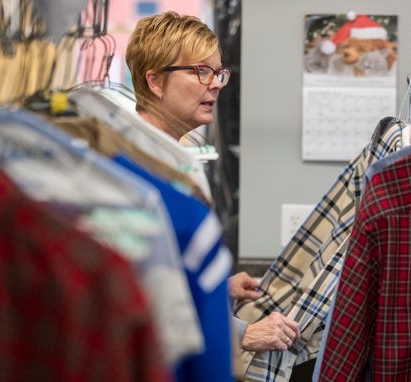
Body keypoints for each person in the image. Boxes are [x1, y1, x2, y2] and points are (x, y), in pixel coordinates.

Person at [125, 11, 300, 354]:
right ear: (155, 81)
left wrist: (218, 286)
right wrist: (241, 333)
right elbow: (141, 288)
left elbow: (168, 265)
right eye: (201, 71)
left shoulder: (170, 159)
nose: (217, 83)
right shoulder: (140, 170)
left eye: (218, 72)